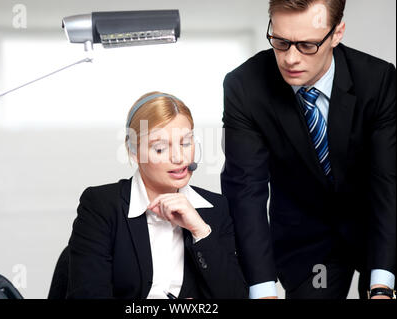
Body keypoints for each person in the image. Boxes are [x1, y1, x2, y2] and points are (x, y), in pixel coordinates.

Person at [221, 0, 395, 299]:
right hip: (309, 244)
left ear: (337, 33)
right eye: (281, 41)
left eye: (307, 45)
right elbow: (245, 191)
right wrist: (262, 289)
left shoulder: (377, 80)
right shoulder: (245, 87)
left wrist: (381, 285)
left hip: (381, 227)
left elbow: (388, 183)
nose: (290, 58)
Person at [67, 92, 248, 299]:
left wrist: (200, 230)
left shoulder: (215, 207)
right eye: (160, 148)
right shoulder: (101, 205)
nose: (179, 158)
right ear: (133, 151)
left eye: (186, 143)